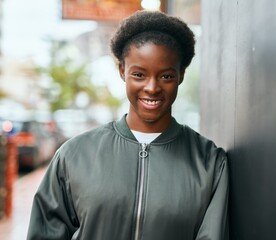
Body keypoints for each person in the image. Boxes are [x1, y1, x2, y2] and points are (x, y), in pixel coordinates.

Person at [27, 10, 229, 240]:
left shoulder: (209, 163)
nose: (152, 87)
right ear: (122, 71)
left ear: (181, 75)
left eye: (166, 76)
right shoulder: (74, 155)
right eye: (139, 74)